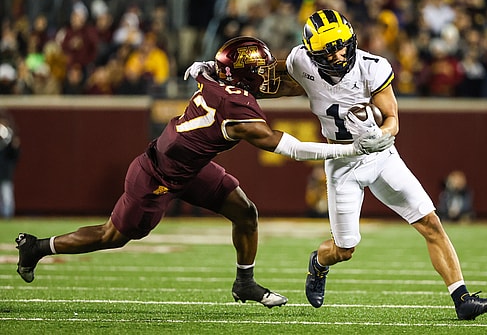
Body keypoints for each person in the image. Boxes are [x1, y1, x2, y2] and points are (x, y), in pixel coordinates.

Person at [15, 36, 392, 308]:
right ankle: (37, 247)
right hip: (157, 176)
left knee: (246, 213)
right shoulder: (239, 109)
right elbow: (290, 147)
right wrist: (349, 148)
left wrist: (205, 65)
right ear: (241, 76)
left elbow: (216, 68)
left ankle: (244, 283)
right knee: (113, 235)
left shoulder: (217, 77)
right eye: (259, 70)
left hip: (191, 166)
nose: (267, 74)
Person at [283, 9, 487, 320]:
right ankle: (318, 263)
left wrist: (382, 135)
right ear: (312, 53)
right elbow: (273, 83)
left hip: (380, 156)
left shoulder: (373, 67)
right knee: (345, 249)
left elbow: (393, 119)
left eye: (342, 45)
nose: (339, 54)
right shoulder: (299, 61)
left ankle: (462, 298)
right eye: (329, 51)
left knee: (430, 223)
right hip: (342, 163)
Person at [0, 110, 20, 219]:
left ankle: (7, 216)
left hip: (5, 172)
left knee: (6, 195)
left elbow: (14, 157)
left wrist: (14, 146)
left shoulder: (9, 138)